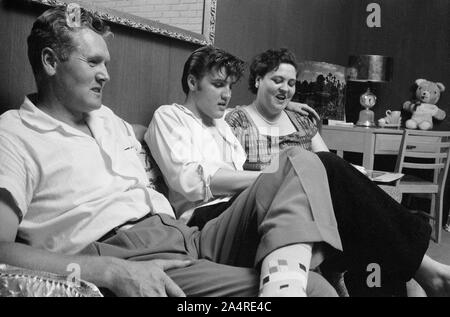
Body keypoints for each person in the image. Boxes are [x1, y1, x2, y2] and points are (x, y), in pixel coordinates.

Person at [0, 5, 343, 297]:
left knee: (302, 161)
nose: (105, 75)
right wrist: (109, 271)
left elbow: (155, 138)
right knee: (315, 289)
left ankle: (283, 281)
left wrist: (285, 103)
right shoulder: (13, 135)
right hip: (129, 255)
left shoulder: (107, 120)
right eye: (92, 62)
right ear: (49, 61)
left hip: (187, 235)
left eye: (106, 63)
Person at [147, 45, 450, 297]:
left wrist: (292, 105)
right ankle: (428, 269)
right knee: (314, 166)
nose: (226, 93)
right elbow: (189, 182)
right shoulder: (171, 117)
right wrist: (276, 178)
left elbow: (263, 111)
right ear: (191, 82)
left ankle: (417, 274)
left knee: (354, 220)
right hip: (204, 221)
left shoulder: (223, 123)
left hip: (243, 207)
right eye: (217, 85)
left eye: (229, 86)